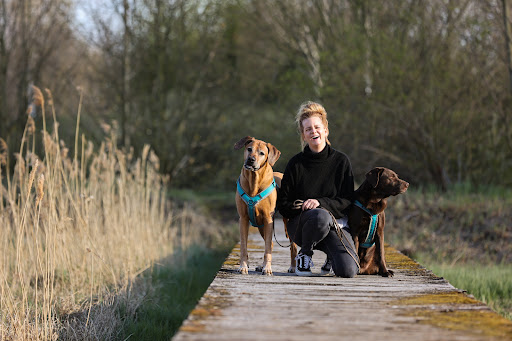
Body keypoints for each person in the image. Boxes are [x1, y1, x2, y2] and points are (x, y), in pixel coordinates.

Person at [277, 101, 359, 277]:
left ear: (326, 130)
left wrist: (320, 202)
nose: (313, 131)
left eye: (317, 127)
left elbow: (347, 200)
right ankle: (304, 255)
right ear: (304, 135)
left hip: (335, 226)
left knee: (349, 271)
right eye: (308, 129)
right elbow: (282, 205)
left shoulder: (341, 161)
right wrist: (304, 206)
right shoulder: (295, 164)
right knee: (320, 215)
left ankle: (331, 256)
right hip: (303, 227)